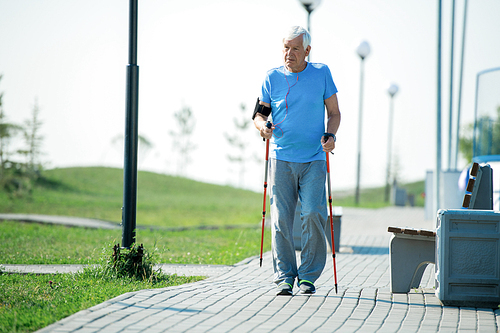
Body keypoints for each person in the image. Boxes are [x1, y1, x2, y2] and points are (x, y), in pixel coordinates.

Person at [252, 26, 341, 295]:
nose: (289, 54)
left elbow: (335, 114)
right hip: (281, 159)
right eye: (286, 48)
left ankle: (308, 276)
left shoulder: (321, 74)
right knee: (280, 220)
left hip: (314, 158)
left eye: (295, 49)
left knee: (313, 214)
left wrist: (331, 135)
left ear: (307, 51)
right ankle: (285, 277)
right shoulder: (272, 78)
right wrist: (262, 127)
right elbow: (258, 115)